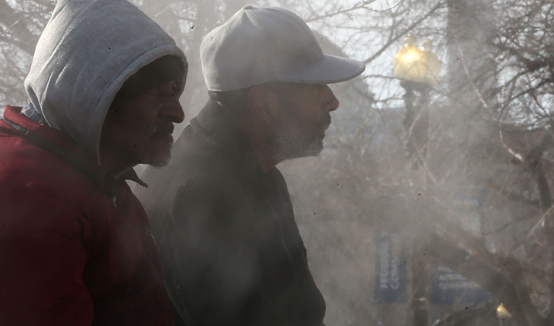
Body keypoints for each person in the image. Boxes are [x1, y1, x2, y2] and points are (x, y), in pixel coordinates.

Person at [136, 5, 365, 326]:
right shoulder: (199, 192)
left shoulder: (258, 174)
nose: (332, 101)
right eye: (316, 87)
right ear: (265, 104)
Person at [0, 0, 187, 325]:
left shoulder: (101, 183)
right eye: (158, 93)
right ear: (93, 93)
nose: (178, 113)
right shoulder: (34, 196)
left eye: (174, 91)